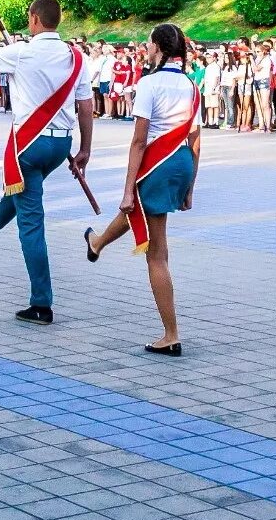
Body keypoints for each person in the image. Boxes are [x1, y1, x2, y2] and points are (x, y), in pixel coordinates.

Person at [0, 0, 94, 326]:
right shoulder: (77, 57)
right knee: (25, 193)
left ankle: (41, 303)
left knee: (31, 222)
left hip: (29, 144)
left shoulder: (20, 51)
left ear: (34, 19)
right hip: (59, 143)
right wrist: (85, 150)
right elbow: (85, 107)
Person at [83, 23, 201, 357]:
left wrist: (125, 189)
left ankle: (171, 334)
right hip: (180, 164)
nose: (146, 49)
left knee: (157, 252)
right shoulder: (191, 86)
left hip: (156, 163)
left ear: (160, 48)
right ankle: (98, 243)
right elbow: (195, 139)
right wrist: (191, 186)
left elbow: (138, 140)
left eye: (149, 44)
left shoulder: (149, 83)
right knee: (141, 213)